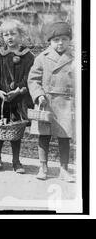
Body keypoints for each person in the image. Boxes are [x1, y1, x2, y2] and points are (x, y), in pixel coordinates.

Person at [0, 19, 34, 173]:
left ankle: (16, 161)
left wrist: (18, 90)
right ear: (2, 37)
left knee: (16, 130)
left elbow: (29, 76)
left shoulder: (28, 56)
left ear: (21, 34)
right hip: (0, 98)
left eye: (13, 34)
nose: (9, 37)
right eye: (6, 35)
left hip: (18, 99)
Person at [28, 21, 75, 182]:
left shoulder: (75, 57)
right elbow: (33, 80)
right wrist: (38, 95)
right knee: (43, 136)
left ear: (70, 40)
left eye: (64, 39)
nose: (60, 43)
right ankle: (43, 167)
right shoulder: (42, 58)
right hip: (45, 102)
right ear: (50, 42)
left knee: (65, 137)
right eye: (56, 40)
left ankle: (64, 169)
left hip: (66, 102)